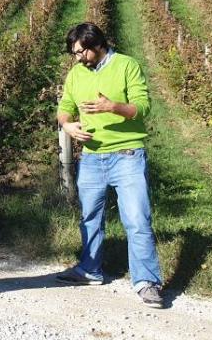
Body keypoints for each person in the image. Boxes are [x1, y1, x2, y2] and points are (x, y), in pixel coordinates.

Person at [55, 23, 164, 309]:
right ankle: (90, 270)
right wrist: (68, 125)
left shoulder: (127, 65)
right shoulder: (76, 73)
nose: (77, 58)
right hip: (91, 157)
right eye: (74, 53)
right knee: (90, 217)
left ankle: (146, 282)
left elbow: (143, 106)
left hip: (127, 155)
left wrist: (112, 107)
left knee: (137, 219)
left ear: (97, 45)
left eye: (81, 52)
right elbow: (65, 107)